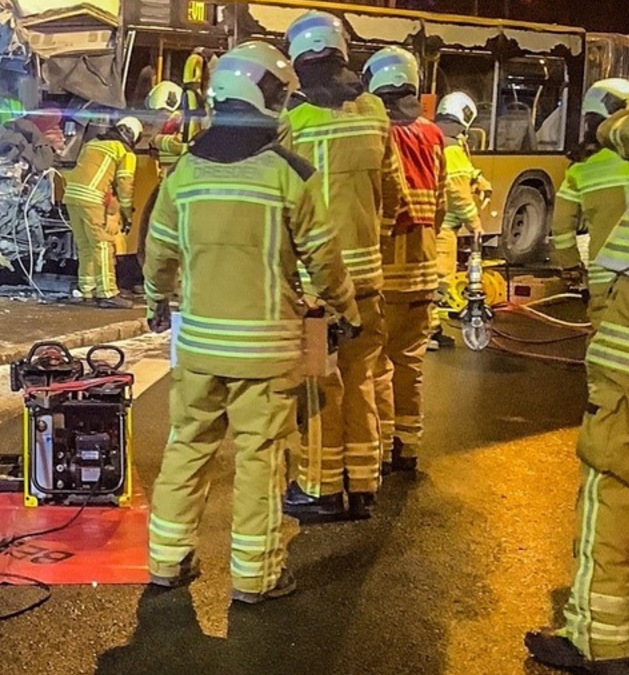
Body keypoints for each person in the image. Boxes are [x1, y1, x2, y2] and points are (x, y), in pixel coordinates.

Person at [144, 41, 360, 604]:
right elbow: (324, 259)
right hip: (265, 353)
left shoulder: (185, 172)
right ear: (268, 99)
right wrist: (348, 310)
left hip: (196, 349)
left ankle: (167, 561)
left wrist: (153, 302)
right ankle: (255, 577)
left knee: (186, 448)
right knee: (260, 463)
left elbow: (159, 253)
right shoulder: (290, 175)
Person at [525, 107, 629, 675]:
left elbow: (623, 130)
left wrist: (572, 275)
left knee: (613, 486)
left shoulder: (595, 163)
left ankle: (599, 643)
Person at [280, 10, 403, 521]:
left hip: (318, 284)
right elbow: (393, 195)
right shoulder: (376, 113)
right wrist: (375, 236)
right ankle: (366, 482)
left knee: (320, 386)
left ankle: (321, 488)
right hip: (369, 277)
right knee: (363, 377)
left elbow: (282, 204)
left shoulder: (295, 122)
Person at [364, 47, 446, 476]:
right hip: (425, 267)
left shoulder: (378, 131)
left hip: (387, 270)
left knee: (377, 362)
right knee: (410, 361)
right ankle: (407, 446)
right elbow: (442, 203)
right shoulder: (434, 135)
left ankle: (378, 447)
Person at [550, 79, 629, 330]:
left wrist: (571, 268)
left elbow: (560, 226)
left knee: (603, 344)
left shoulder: (580, 167)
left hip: (602, 277)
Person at [62, 116, 142, 308]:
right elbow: (124, 185)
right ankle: (107, 292)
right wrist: (127, 213)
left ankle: (86, 290)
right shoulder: (124, 152)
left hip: (71, 196)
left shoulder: (93, 143)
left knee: (85, 246)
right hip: (92, 198)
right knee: (103, 244)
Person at [431, 92, 488, 350]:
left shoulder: (441, 137)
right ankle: (428, 332)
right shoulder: (452, 145)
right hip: (443, 227)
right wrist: (474, 223)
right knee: (438, 280)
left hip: (433, 223)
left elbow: (462, 171)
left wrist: (478, 179)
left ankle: (428, 329)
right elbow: (456, 190)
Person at [146, 81, 189, 174]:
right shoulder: (167, 129)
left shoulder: (186, 124)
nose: (157, 120)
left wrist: (157, 140)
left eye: (161, 114)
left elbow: (182, 146)